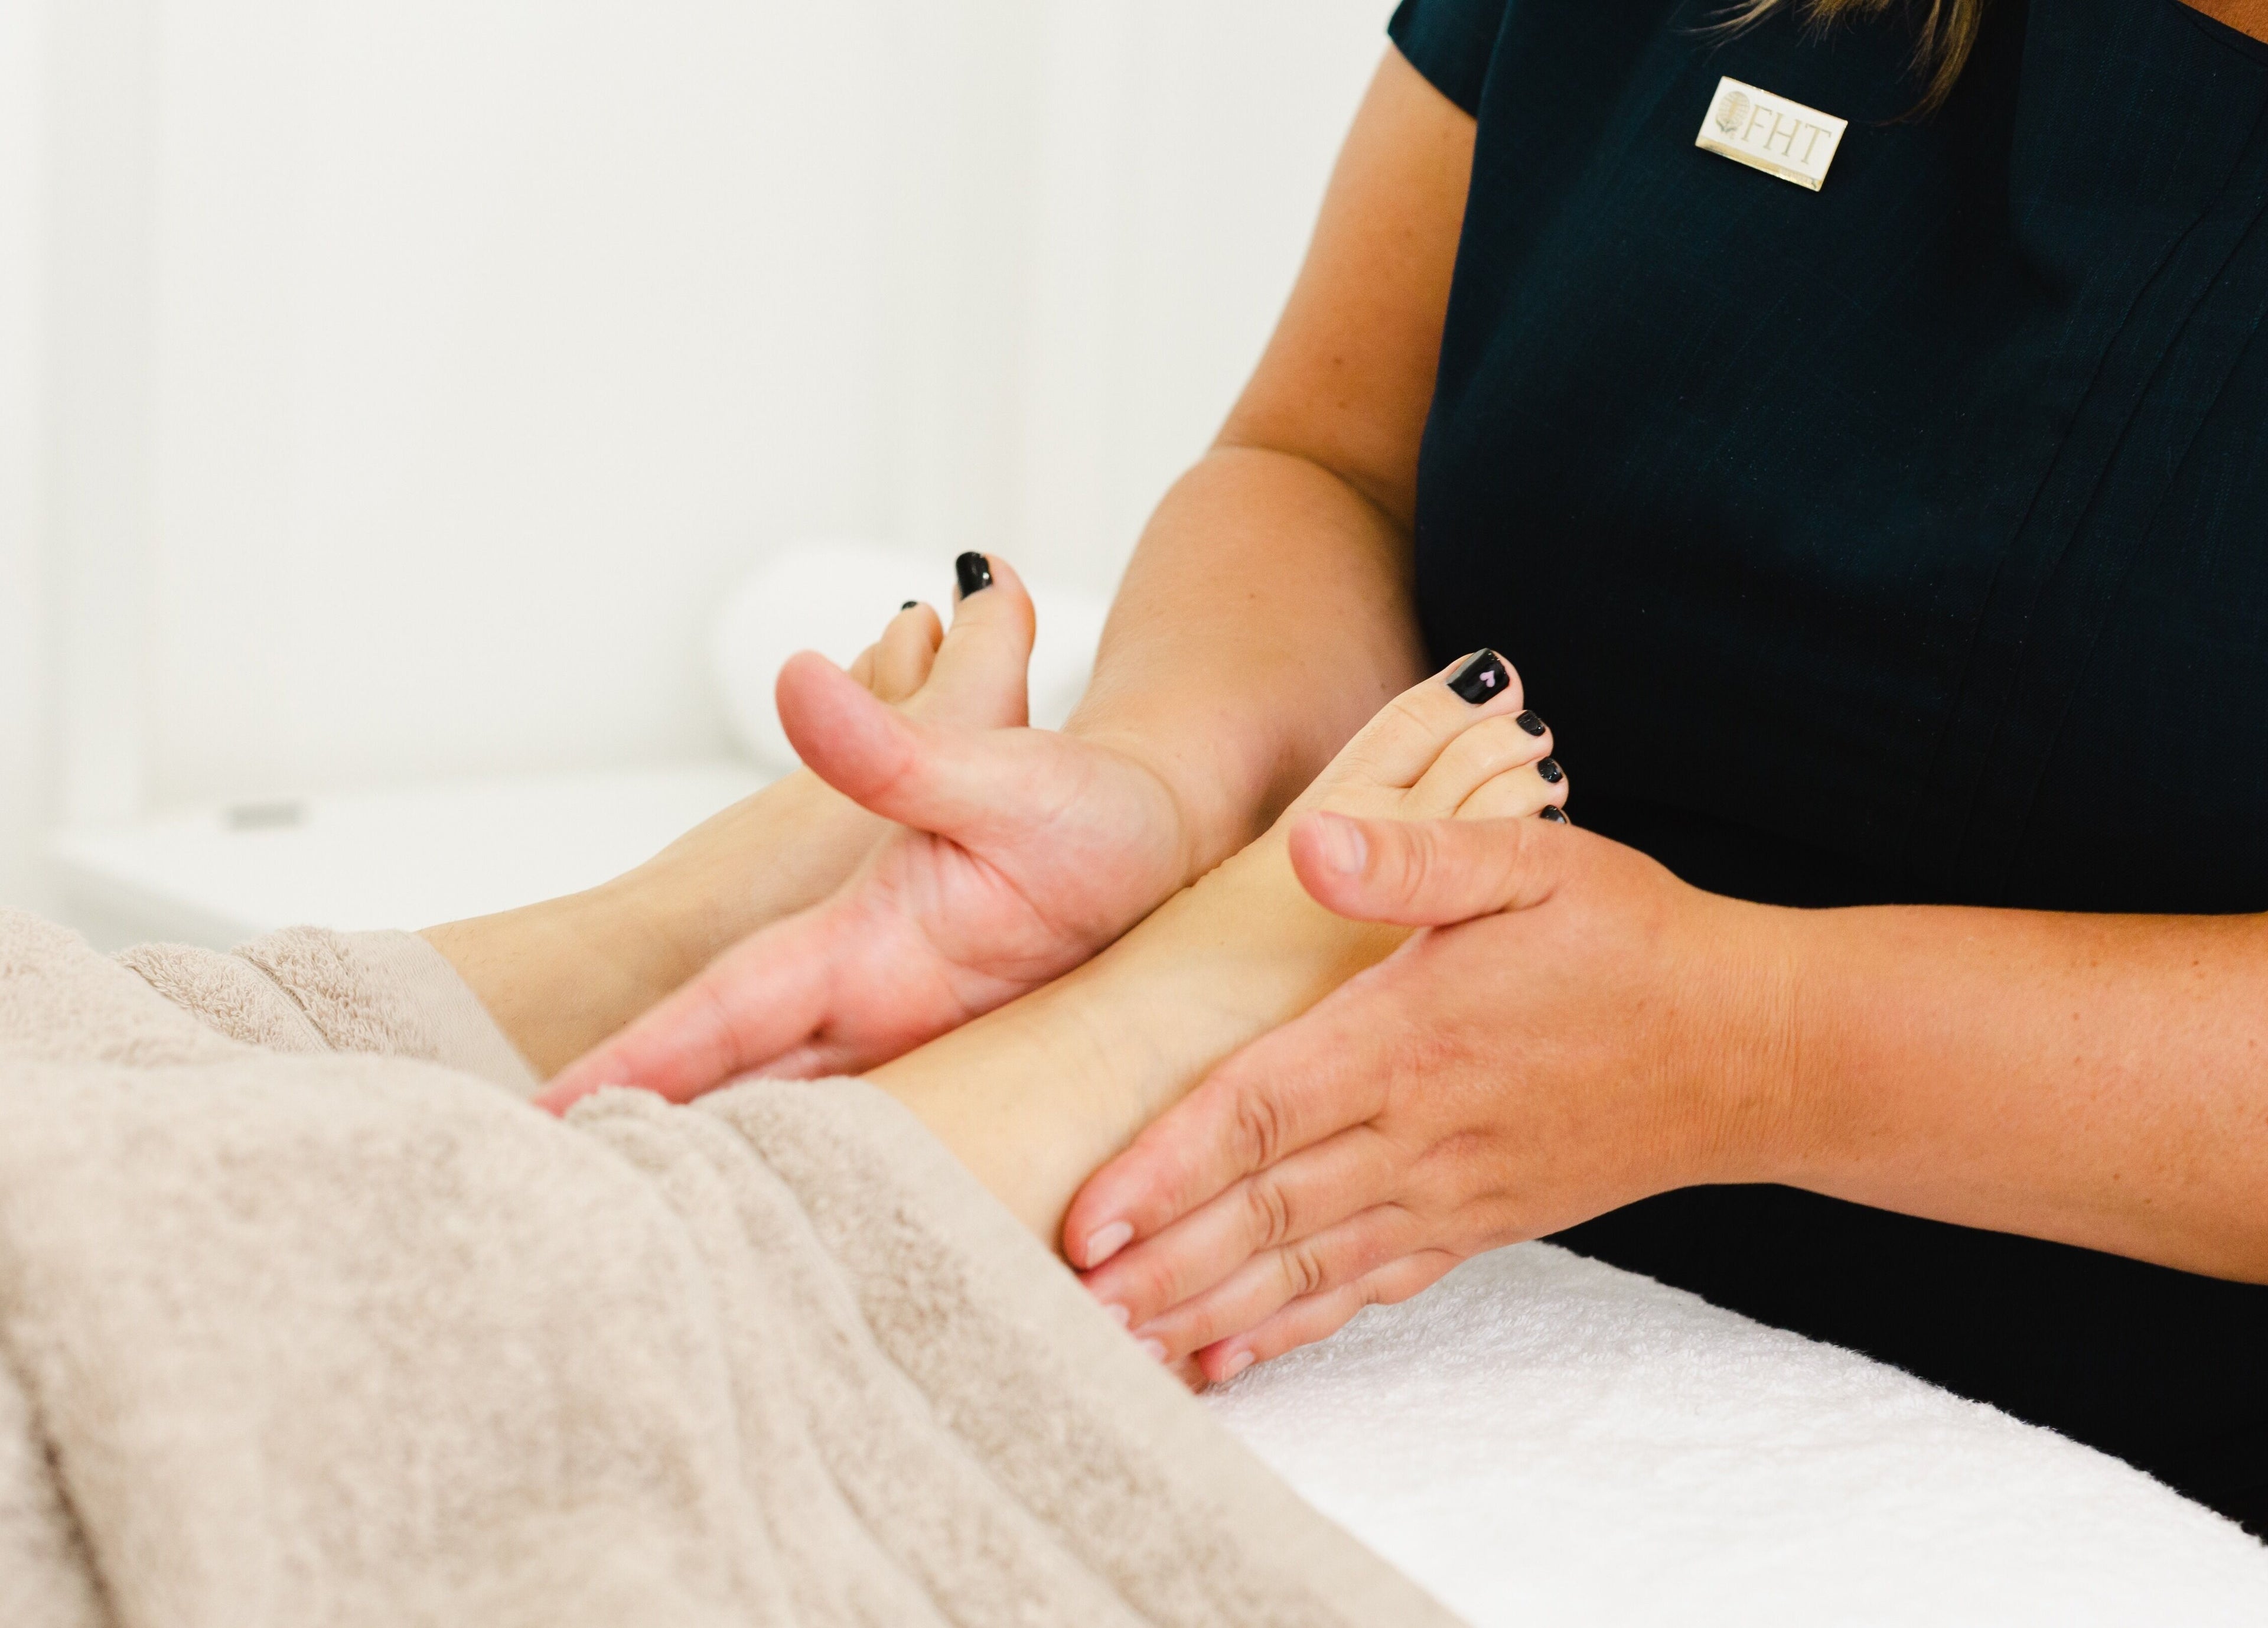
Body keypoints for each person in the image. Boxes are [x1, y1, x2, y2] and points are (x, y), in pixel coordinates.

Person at [546, 0, 2268, 1533]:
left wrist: (1757, 1039)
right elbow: (1327, 461)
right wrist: (1170, 774)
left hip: (2103, 1445)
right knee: (484, 1304)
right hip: (1371, 1221)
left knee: (570, 1382)